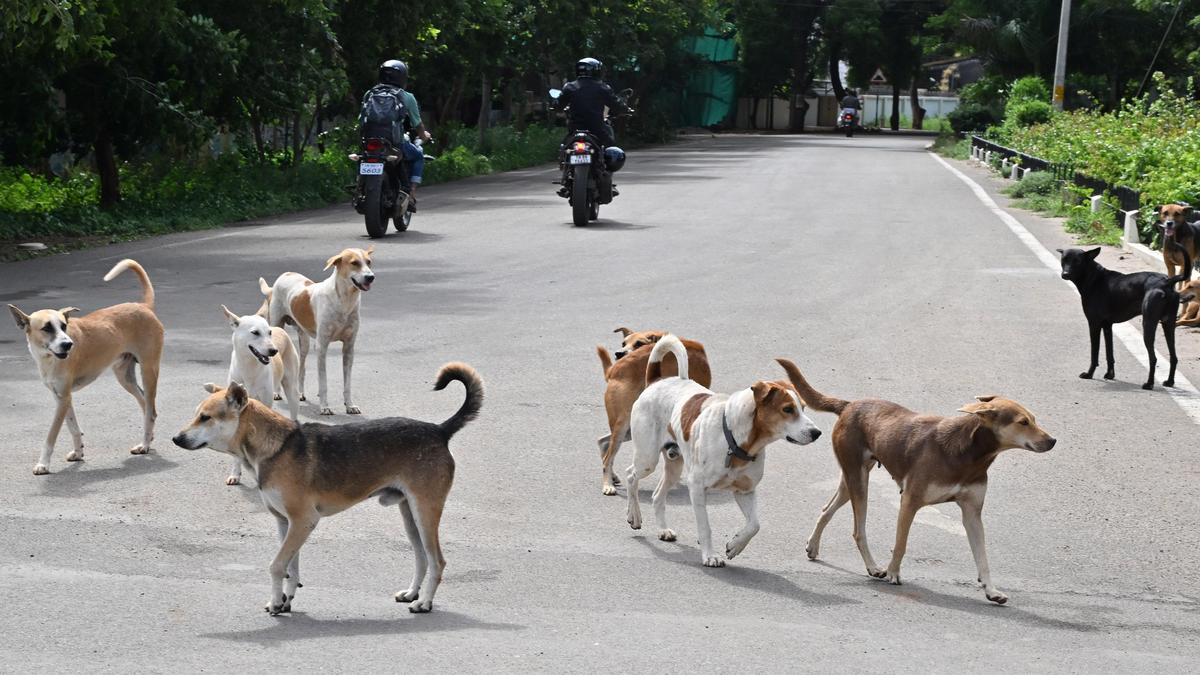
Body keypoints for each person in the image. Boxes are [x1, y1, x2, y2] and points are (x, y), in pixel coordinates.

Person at [360, 59, 431, 207]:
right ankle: (411, 194)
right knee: (418, 155)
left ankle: (359, 185)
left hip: (369, 140)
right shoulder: (407, 97)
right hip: (394, 142)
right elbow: (417, 124)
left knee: (363, 157)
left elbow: (361, 120)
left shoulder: (369, 93)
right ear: (403, 77)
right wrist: (424, 136)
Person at [557, 57, 632, 148]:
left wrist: (555, 107)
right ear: (596, 71)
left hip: (575, 128)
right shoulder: (602, 87)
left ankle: (564, 155)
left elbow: (559, 104)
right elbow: (616, 104)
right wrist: (625, 109)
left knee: (564, 146)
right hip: (596, 128)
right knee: (611, 147)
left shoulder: (569, 87)